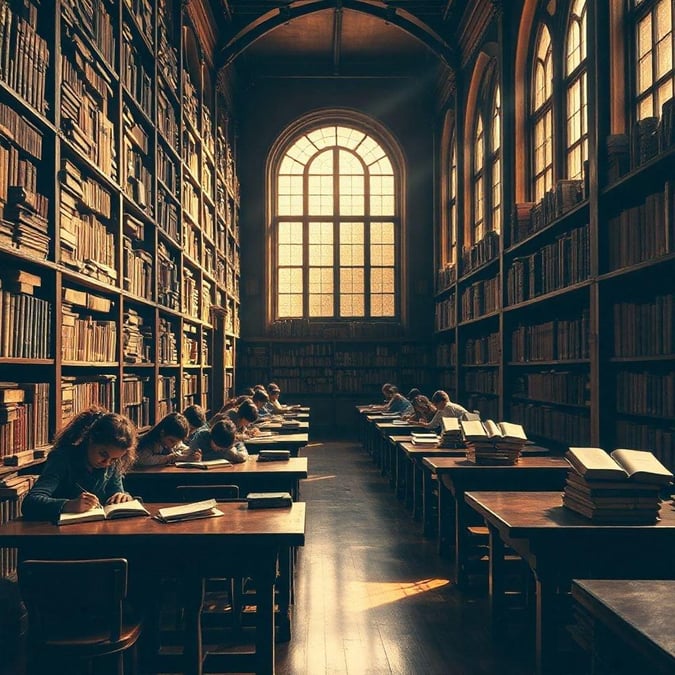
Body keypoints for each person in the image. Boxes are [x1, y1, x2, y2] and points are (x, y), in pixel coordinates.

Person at [22, 407, 138, 521]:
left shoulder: (112, 464)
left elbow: (115, 493)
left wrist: (123, 497)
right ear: (91, 439)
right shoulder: (62, 458)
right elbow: (30, 503)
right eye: (103, 454)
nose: (107, 463)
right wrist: (69, 505)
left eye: (114, 459)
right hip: (58, 532)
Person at [135, 412, 201, 467]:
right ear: (162, 433)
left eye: (177, 442)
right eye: (172, 441)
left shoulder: (173, 441)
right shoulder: (148, 442)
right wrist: (171, 457)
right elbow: (145, 459)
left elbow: (182, 448)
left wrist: (192, 453)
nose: (173, 445)